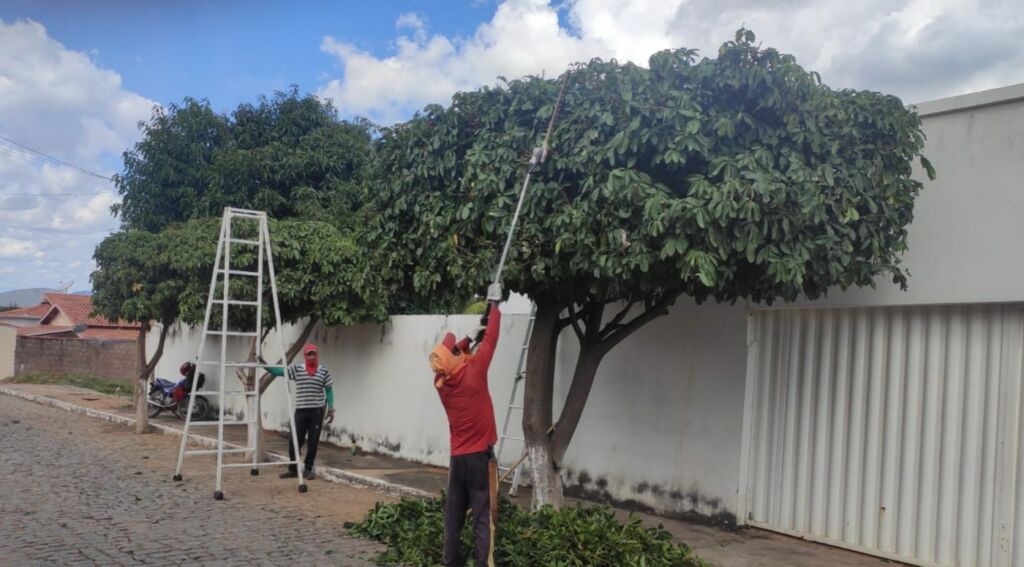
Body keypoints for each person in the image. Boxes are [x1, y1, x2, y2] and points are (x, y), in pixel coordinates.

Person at [430, 283, 502, 567]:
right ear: (457, 360)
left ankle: (452, 561)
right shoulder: (476, 372)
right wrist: (494, 305)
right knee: (482, 516)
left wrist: (467, 341)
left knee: (454, 514)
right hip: (479, 459)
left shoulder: (442, 383)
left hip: (458, 459)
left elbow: (453, 358)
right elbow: (493, 339)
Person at [265, 344, 334, 480]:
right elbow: (279, 372)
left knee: (313, 442)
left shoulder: (323, 371)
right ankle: (293, 469)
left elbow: (329, 390)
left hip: (316, 412)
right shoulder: (298, 369)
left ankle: (308, 469)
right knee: (295, 440)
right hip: (301, 411)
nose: (311, 356)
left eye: (314, 353)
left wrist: (331, 409)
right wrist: (263, 365)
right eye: (309, 354)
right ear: (305, 355)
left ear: (317, 355)